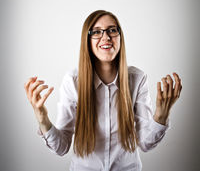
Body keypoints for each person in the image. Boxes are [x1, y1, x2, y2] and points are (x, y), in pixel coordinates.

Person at [24, 9, 182, 171]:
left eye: (112, 30)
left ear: (120, 37)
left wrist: (161, 116)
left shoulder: (137, 78)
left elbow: (146, 143)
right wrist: (43, 119)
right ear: (87, 40)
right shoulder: (73, 81)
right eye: (97, 32)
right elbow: (61, 147)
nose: (106, 37)